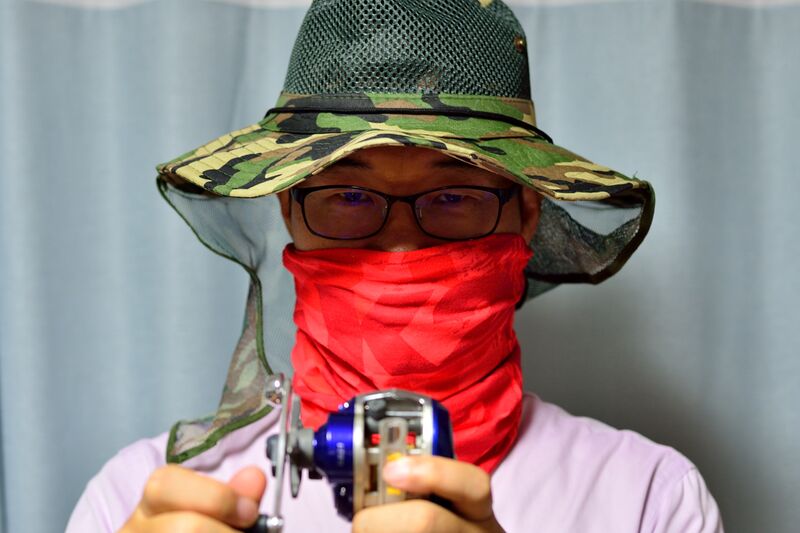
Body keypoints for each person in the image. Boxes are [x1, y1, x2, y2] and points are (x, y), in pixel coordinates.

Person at [67, 1, 723, 532]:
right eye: (349, 196)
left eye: (453, 196)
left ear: (526, 211)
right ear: (289, 208)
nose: (401, 248)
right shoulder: (141, 498)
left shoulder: (647, 499)